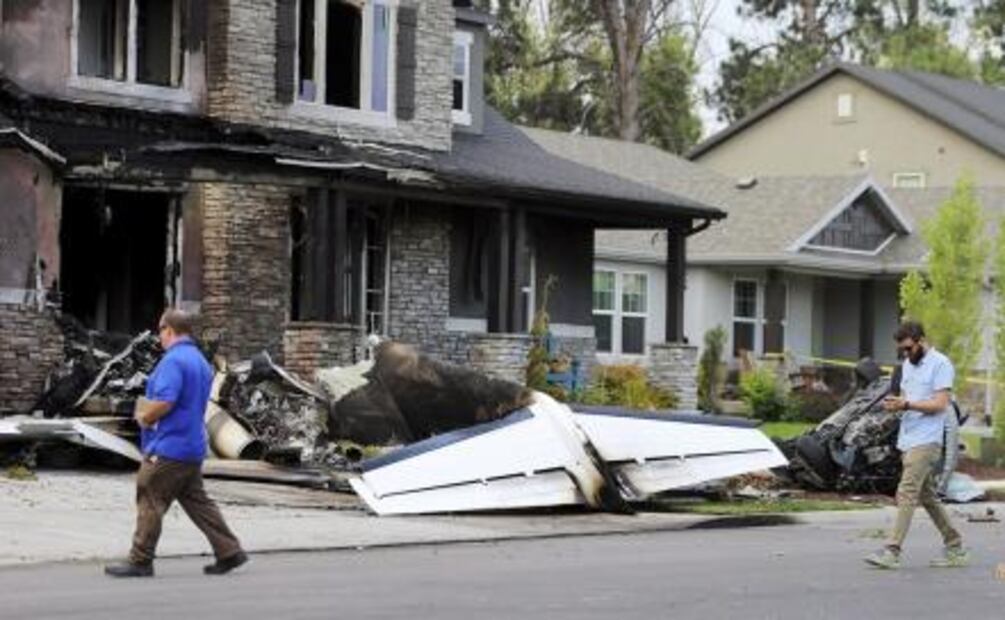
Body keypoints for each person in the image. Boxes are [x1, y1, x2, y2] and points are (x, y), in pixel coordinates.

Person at [105, 308, 248, 578]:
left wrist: (145, 418)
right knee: (198, 502)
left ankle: (140, 560)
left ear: (169, 330)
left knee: (149, 494)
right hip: (192, 445)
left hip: (169, 447)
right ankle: (230, 551)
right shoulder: (200, 362)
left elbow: (165, 401)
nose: (158, 336)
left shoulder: (173, 361)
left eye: (160, 330)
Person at [864, 321, 968, 570]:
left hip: (927, 440)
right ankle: (955, 545)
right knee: (927, 496)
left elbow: (940, 404)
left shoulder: (940, 364)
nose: (905, 354)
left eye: (909, 348)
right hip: (907, 439)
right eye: (901, 350)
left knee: (907, 492)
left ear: (921, 340)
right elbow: (905, 400)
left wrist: (907, 405)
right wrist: (894, 406)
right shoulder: (906, 366)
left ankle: (892, 550)